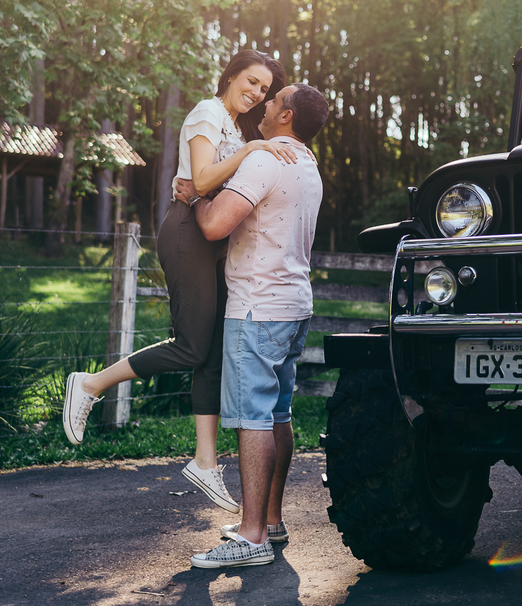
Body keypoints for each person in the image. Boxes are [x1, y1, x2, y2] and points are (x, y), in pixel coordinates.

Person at [62, 50, 293, 514]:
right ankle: (90, 384)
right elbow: (204, 178)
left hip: (213, 237)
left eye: (264, 89)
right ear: (229, 76)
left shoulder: (238, 127)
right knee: (191, 345)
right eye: (250, 81)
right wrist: (240, 158)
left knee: (212, 348)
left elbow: (214, 186)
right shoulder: (208, 112)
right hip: (188, 231)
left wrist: (230, 165)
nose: (255, 93)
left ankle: (205, 462)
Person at [186, 82, 330, 569]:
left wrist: (193, 199)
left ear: (285, 115)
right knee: (279, 413)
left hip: (257, 309)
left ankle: (249, 538)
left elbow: (213, 225)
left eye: (274, 99)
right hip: (293, 306)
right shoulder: (308, 166)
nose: (265, 104)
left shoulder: (265, 160)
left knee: (253, 418)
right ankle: (270, 520)